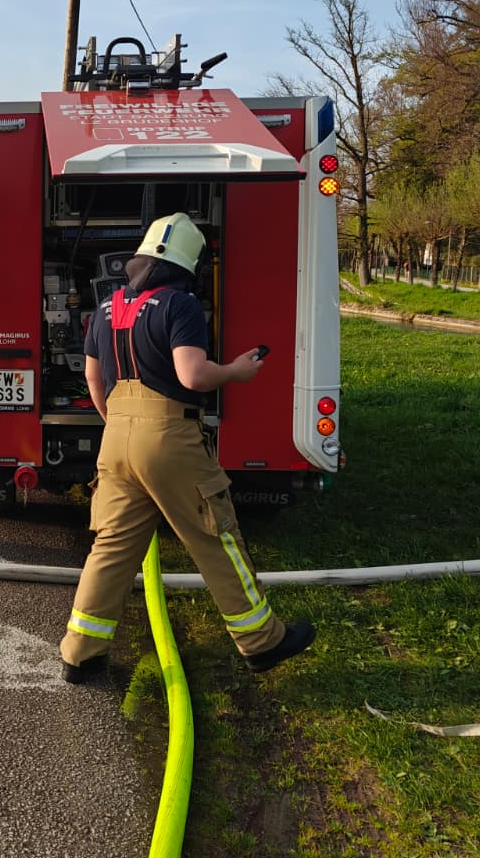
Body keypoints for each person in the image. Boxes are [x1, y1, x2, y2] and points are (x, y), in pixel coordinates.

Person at [60, 212, 315, 683]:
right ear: (186, 266)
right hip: (169, 438)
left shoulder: (107, 307)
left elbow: (93, 377)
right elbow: (192, 375)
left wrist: (118, 421)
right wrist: (236, 371)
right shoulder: (180, 305)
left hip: (115, 437)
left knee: (111, 547)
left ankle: (81, 653)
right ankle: (262, 641)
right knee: (215, 537)